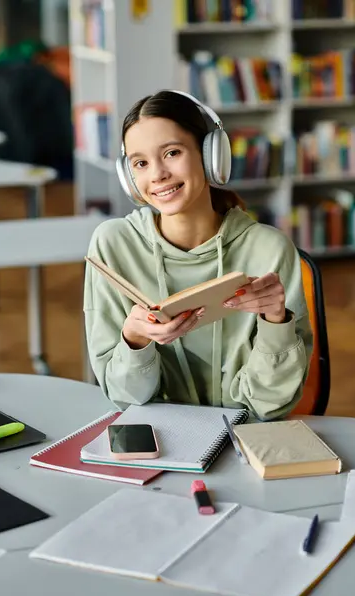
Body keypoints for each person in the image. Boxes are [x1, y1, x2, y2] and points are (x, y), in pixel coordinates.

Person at [84, 90, 313, 420]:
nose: (157, 174)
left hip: (246, 438)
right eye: (141, 163)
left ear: (211, 156)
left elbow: (269, 405)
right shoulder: (112, 246)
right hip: (159, 438)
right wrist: (134, 341)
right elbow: (124, 399)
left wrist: (275, 322)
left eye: (172, 152)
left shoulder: (269, 250)